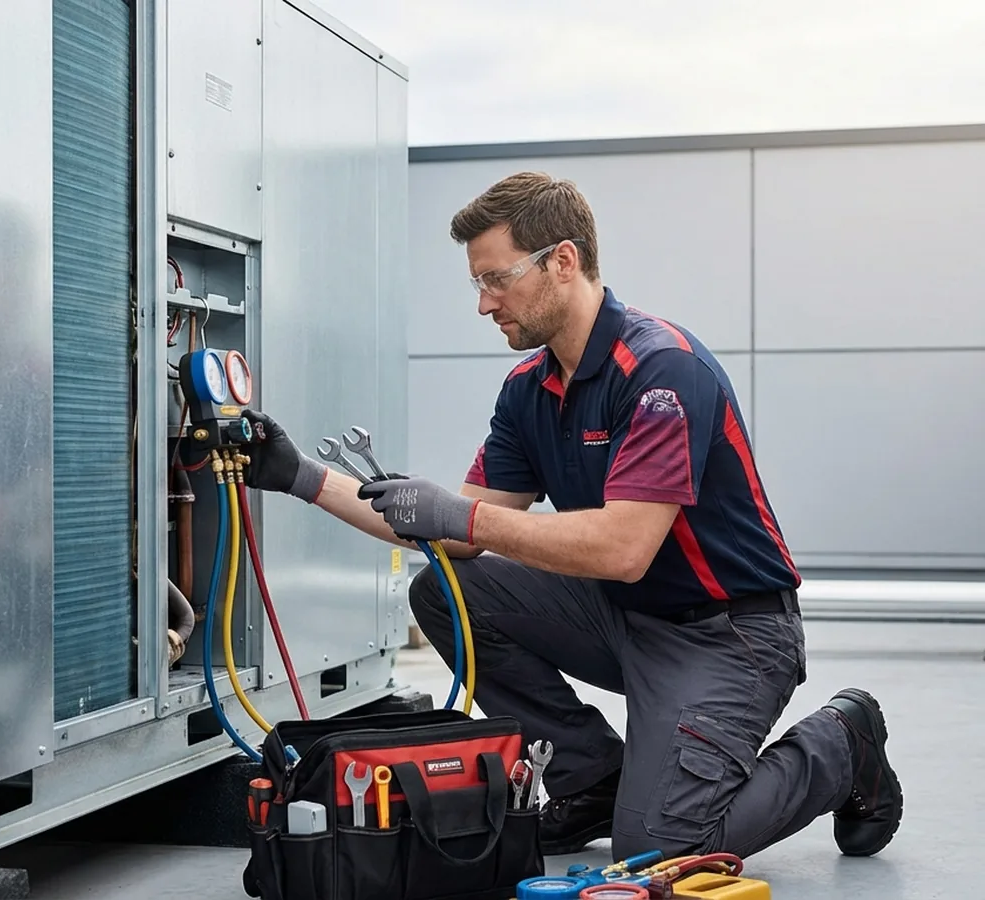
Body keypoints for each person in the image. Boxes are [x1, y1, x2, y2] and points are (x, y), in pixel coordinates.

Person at [240, 172, 902, 863]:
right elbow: (453, 537)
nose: (484, 303)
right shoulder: (529, 389)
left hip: (728, 634)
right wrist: (301, 477)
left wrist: (458, 517)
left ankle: (843, 742)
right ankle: (589, 778)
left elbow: (622, 550)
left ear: (562, 260)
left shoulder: (661, 371)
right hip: (623, 617)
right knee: (444, 591)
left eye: (497, 279)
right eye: (477, 283)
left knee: (665, 850)